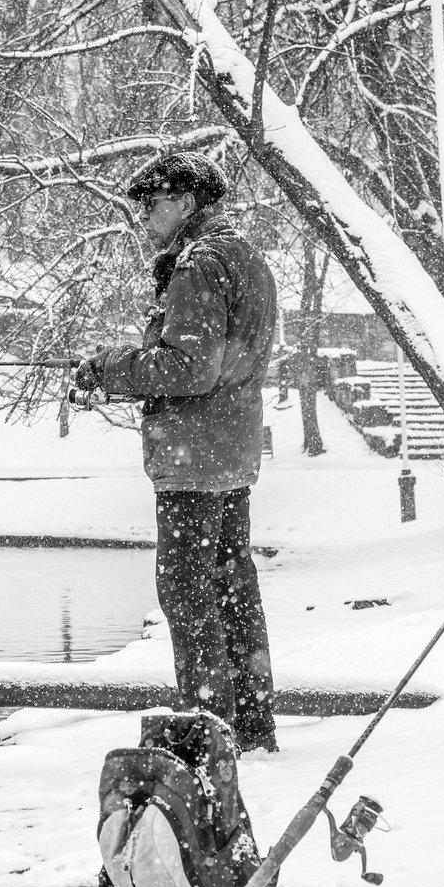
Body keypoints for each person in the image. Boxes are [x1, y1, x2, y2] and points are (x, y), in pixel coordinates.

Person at [75, 151, 279, 752]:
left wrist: (110, 367)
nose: (144, 215)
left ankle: (206, 733)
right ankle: (251, 724)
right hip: (229, 451)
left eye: (154, 203)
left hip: (193, 458)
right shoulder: (245, 256)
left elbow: (190, 366)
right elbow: (231, 361)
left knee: (189, 593)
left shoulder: (198, 264)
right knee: (232, 587)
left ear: (187, 203)